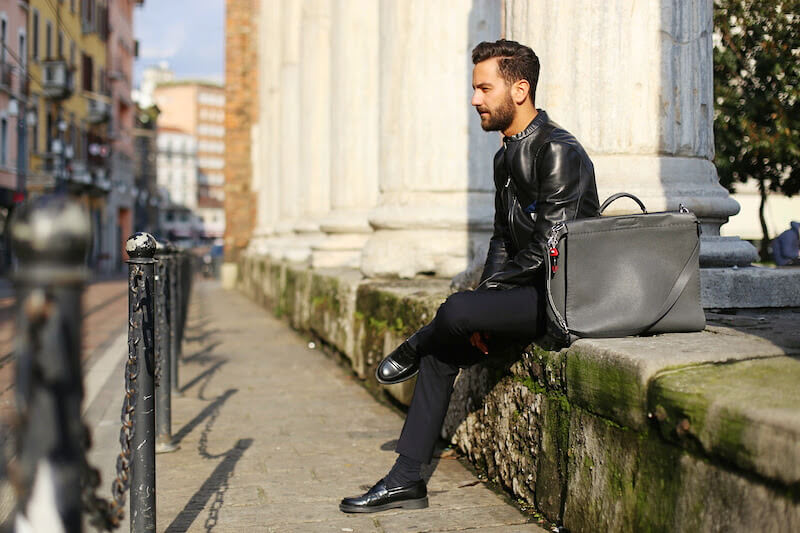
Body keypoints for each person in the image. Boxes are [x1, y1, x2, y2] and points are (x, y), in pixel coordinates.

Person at [339, 39, 600, 514]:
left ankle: (414, 345)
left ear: (519, 90)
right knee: (447, 346)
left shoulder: (558, 151)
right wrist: (485, 307)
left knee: (455, 310)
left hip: (562, 297)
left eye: (484, 88)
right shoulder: (504, 158)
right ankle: (406, 480)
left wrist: (478, 304)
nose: (474, 98)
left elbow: (551, 248)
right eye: (474, 88)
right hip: (522, 294)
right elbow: (502, 241)